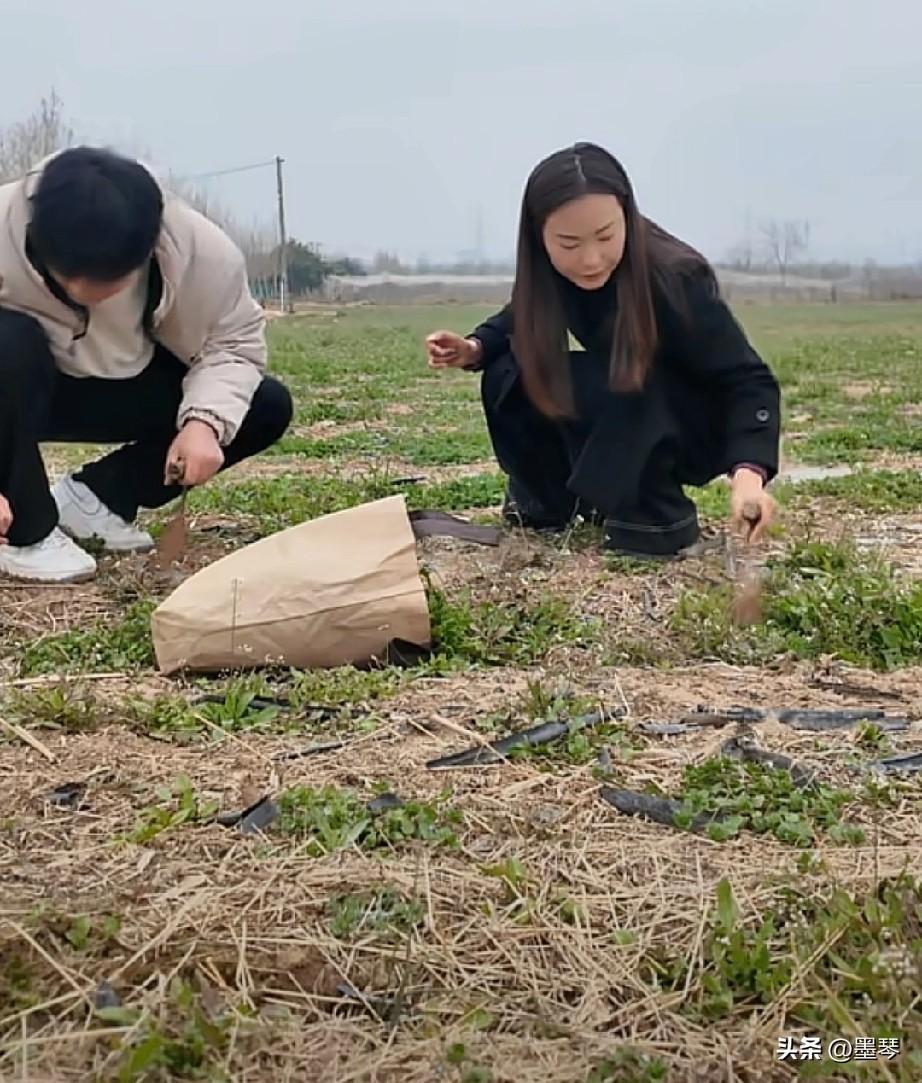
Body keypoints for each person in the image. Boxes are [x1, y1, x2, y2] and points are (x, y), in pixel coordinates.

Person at [425, 142, 780, 559]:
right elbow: (522, 317)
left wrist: (748, 477)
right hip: (630, 406)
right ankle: (548, 502)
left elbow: (747, 380)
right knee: (512, 370)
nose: (591, 260)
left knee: (626, 377)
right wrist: (473, 348)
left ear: (627, 217)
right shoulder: (550, 275)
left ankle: (655, 517)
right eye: (569, 244)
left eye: (606, 236)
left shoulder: (676, 277)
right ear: (539, 239)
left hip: (688, 421)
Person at [0, 146, 293, 582]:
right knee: (9, 340)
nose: (86, 292)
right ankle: (28, 532)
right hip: (18, 388)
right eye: (67, 278)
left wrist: (204, 423)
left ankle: (96, 500)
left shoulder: (201, 251)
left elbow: (233, 343)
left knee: (264, 404)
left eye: (110, 280)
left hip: (125, 379)